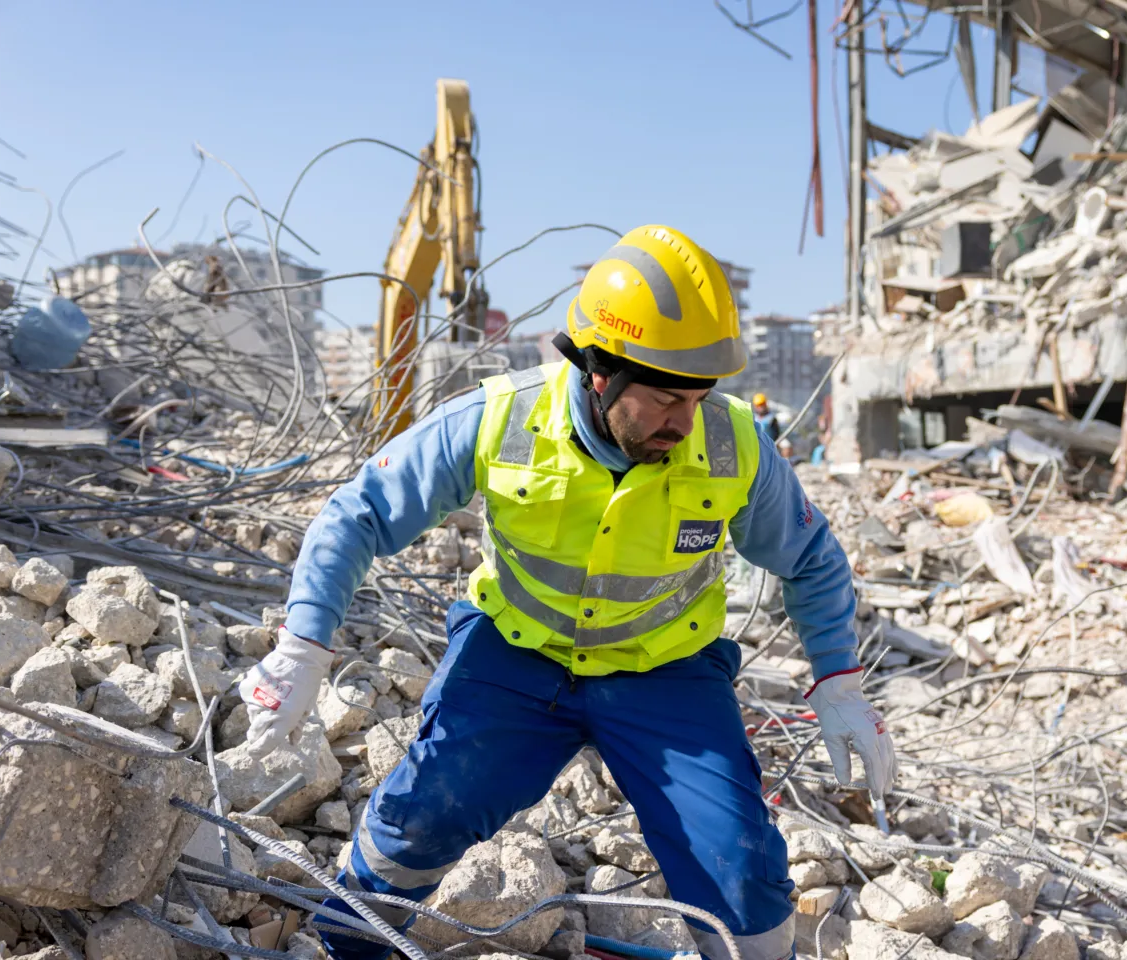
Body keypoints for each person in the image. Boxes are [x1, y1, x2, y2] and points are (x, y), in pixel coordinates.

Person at [239, 225, 897, 960]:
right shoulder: (501, 418)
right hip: (515, 656)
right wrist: (303, 646)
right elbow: (358, 511)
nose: (685, 422)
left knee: (740, 873)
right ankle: (350, 944)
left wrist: (838, 681)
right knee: (422, 817)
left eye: (701, 397)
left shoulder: (730, 442)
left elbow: (811, 556)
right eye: (664, 399)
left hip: (666, 673)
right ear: (598, 372)